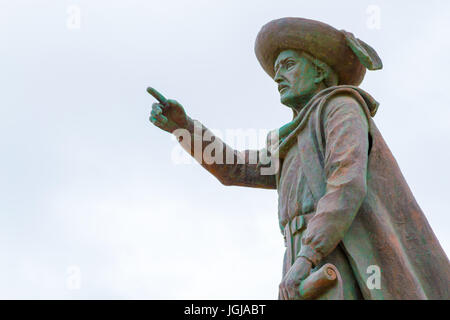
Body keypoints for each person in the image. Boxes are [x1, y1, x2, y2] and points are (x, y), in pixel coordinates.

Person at [148, 17, 450, 299]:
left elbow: (347, 184)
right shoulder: (292, 140)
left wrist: (308, 257)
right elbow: (235, 170)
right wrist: (184, 128)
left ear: (319, 70)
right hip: (302, 254)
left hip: (338, 251)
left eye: (289, 65)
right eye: (277, 69)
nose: (278, 77)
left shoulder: (341, 107)